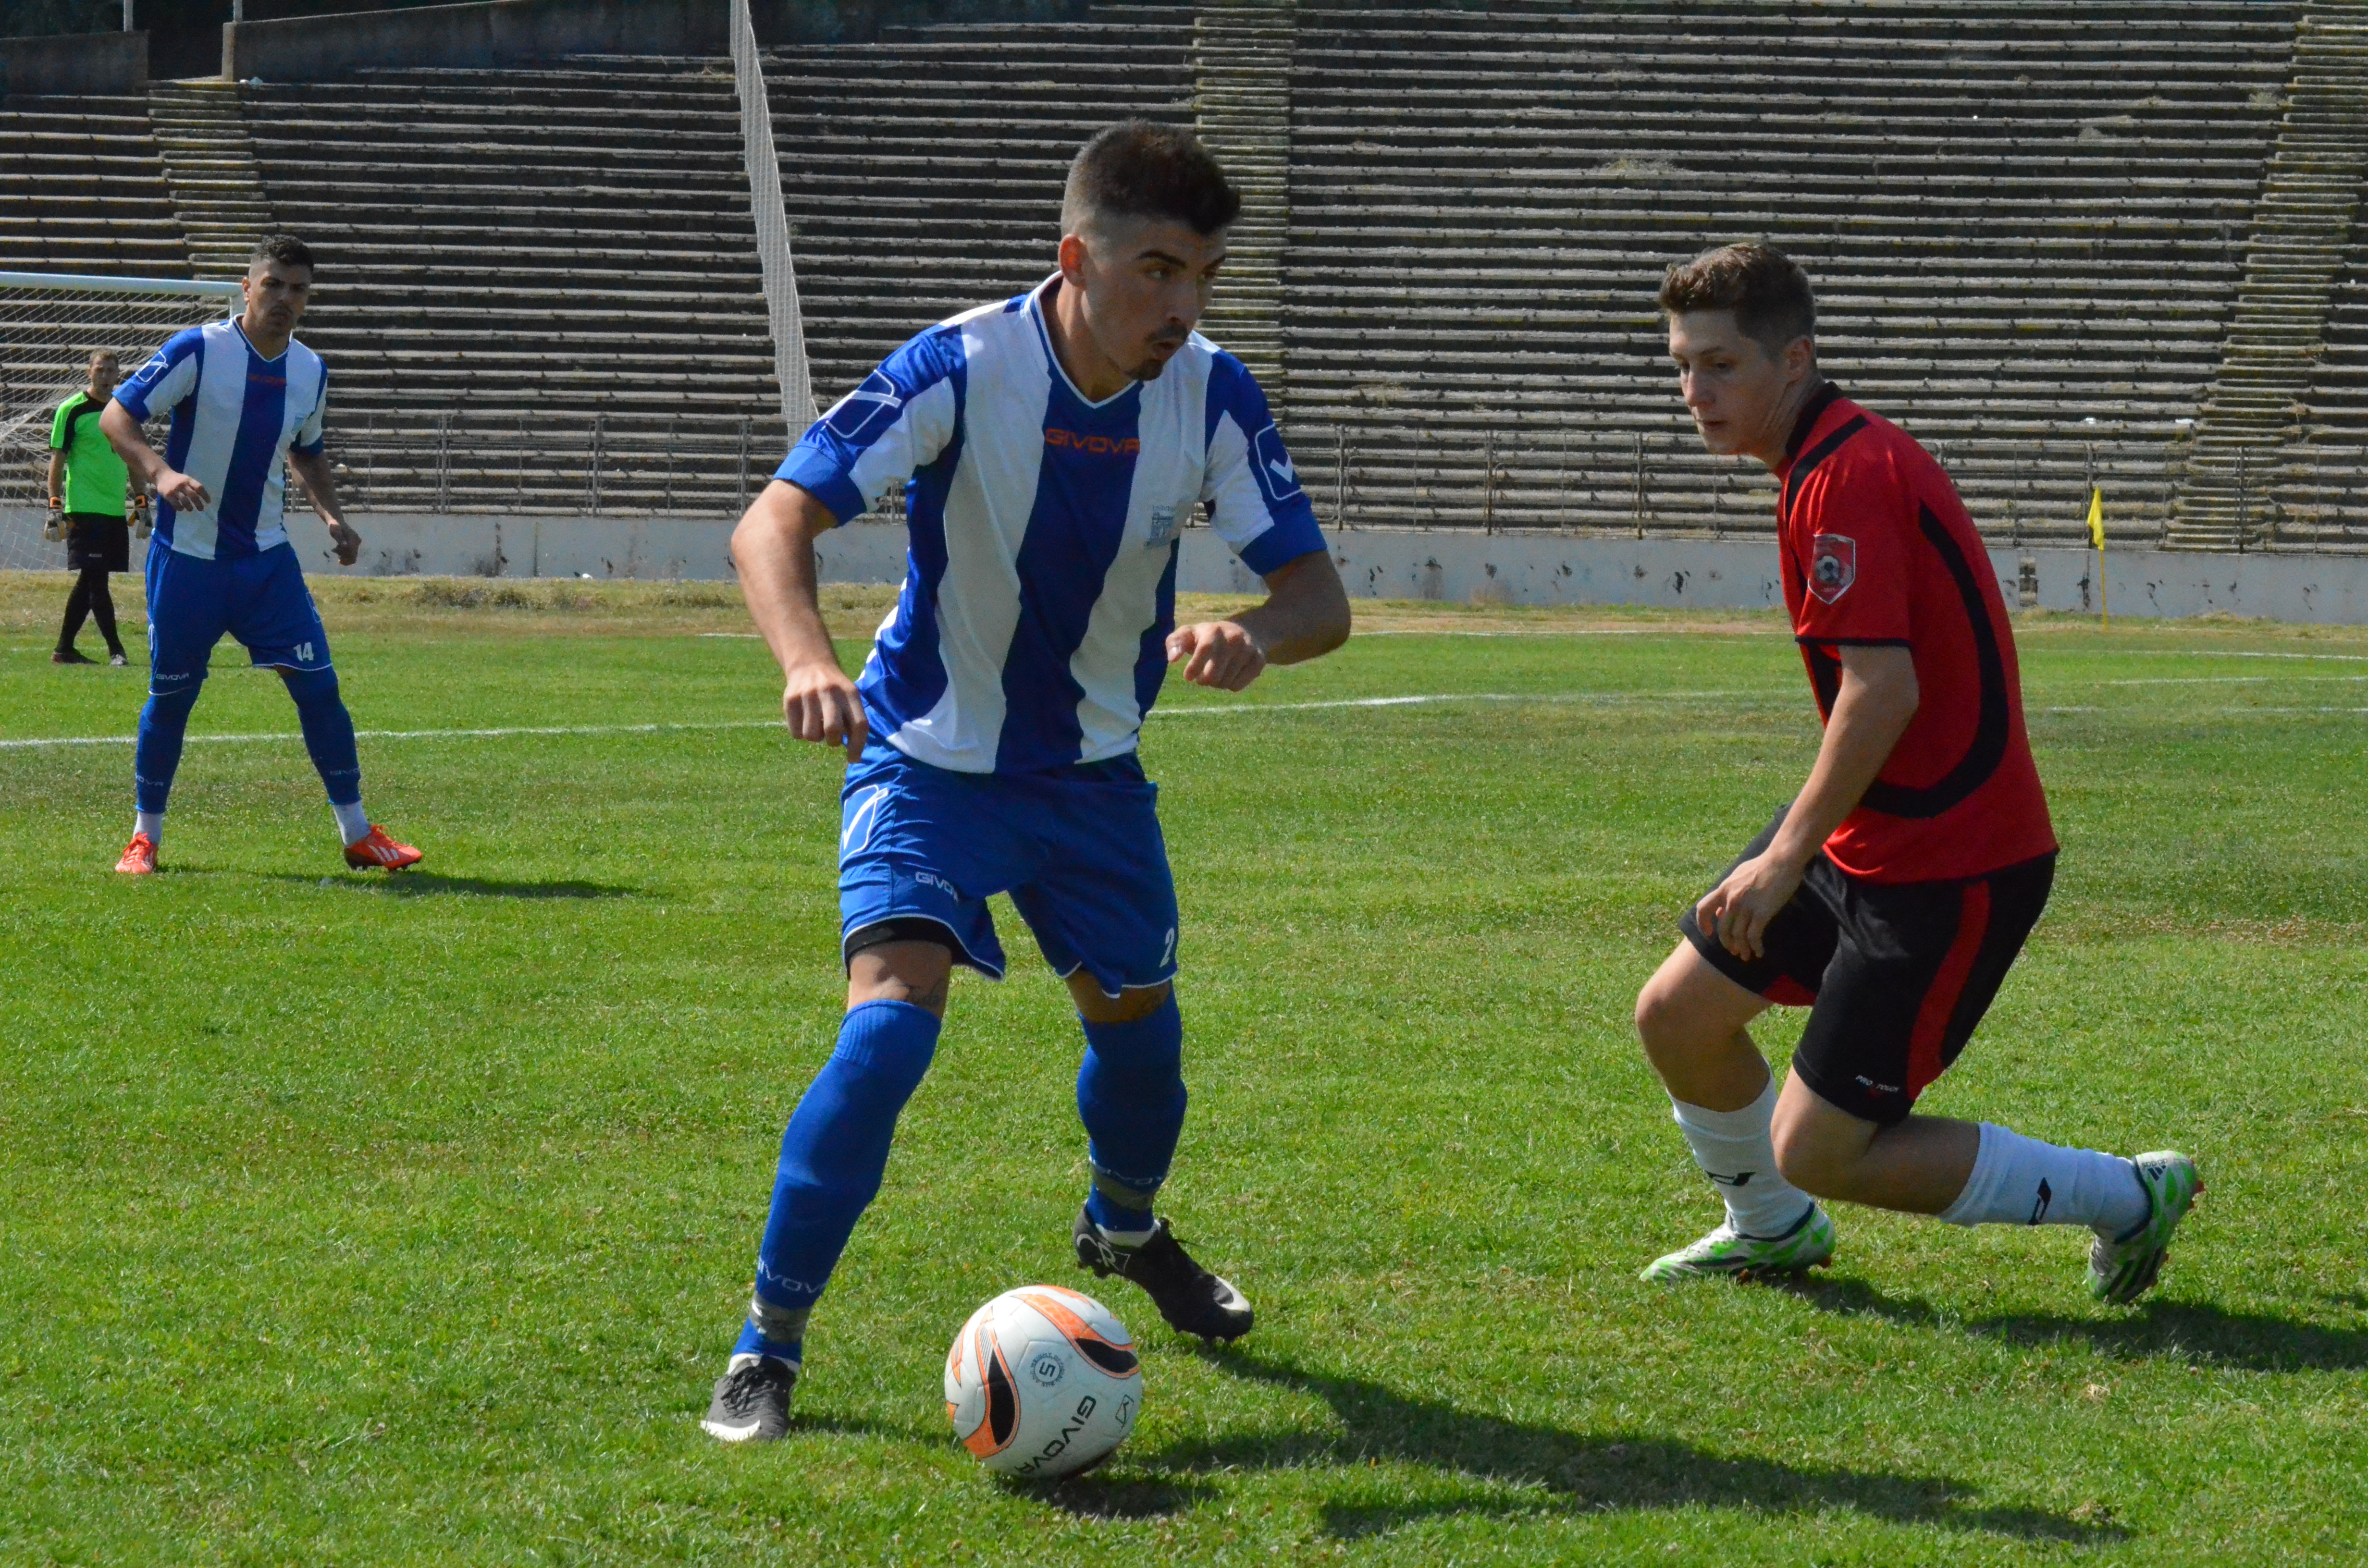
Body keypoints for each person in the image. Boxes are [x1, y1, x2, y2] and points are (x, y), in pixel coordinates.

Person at [703, 120, 1351, 1443]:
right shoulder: (960, 364)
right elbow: (774, 519)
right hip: (928, 761)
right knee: (886, 1034)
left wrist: (1257, 636)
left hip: (1095, 781)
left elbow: (1318, 597)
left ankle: (1121, 1229)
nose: (1185, 306)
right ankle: (768, 1342)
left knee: (1146, 1054)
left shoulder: (1215, 394)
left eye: (1204, 277)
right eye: (1159, 271)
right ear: (1077, 258)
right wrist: (804, 661)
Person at [1631, 242, 2197, 1303]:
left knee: (1823, 1145)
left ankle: (2129, 1195)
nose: (1692, 393)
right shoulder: (1820, 461)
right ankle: (1769, 1232)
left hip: (1949, 866)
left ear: (1792, 360)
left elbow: (1880, 691)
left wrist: (1782, 858)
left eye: (1719, 366)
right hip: (1870, 838)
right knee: (1679, 1015)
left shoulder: (1843, 474)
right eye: (1681, 365)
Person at [99, 233, 421, 878]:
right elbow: (116, 416)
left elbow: (307, 451)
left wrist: (334, 517)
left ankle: (358, 833)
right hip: (188, 560)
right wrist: (161, 474)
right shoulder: (198, 349)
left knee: (320, 690)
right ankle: (145, 839)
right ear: (247, 288)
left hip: (267, 565)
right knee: (171, 698)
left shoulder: (311, 370)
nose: (284, 298)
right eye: (273, 284)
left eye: (297, 289)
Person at [46, 350, 139, 666]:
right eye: (100, 369)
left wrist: (141, 501)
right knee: (97, 580)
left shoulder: (123, 412)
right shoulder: (71, 410)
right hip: (83, 509)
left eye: (110, 370)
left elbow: (134, 458)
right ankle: (117, 650)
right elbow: (57, 461)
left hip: (114, 510)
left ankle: (64, 649)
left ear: (117, 375)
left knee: (90, 579)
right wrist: (54, 504)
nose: (105, 375)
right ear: (90, 372)